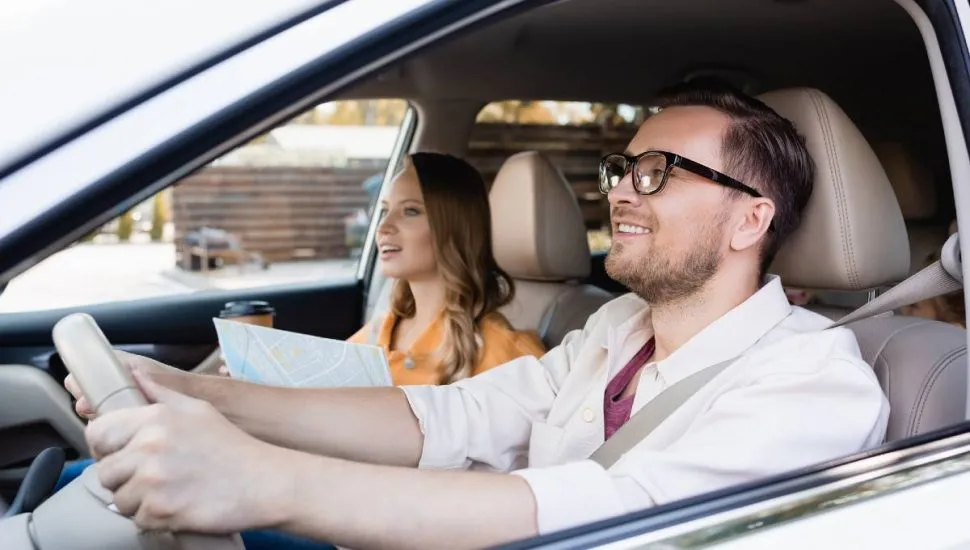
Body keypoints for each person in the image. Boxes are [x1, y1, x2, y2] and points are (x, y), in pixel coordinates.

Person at [65, 82, 889, 550]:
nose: (619, 192)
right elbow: (446, 417)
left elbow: (623, 511)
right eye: (621, 167)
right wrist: (199, 396)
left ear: (752, 219)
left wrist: (261, 480)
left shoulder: (814, 382)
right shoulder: (613, 332)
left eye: (658, 174)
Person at [214, 152, 546, 384]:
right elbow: (320, 394)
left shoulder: (506, 353)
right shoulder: (384, 328)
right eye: (385, 210)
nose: (384, 226)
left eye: (411, 211)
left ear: (454, 228)